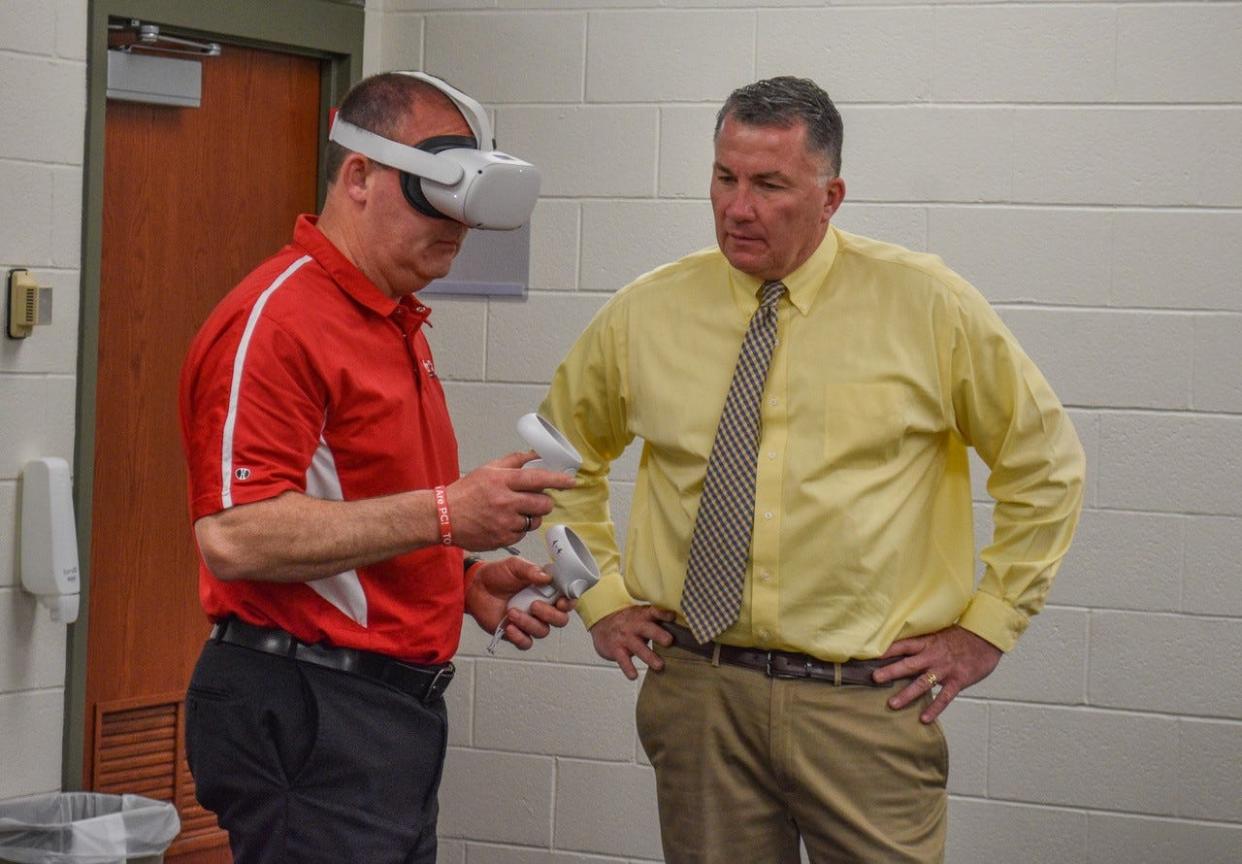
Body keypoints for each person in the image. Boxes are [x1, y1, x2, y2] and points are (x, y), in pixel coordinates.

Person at [538, 76, 1085, 863]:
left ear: (831, 196)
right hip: (700, 692)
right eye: (725, 177)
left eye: (769, 185)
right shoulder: (646, 312)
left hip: (863, 707)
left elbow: (1046, 466)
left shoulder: (926, 305)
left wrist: (986, 627)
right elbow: (557, 458)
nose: (738, 206)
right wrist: (598, 594)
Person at [178, 71, 574, 864]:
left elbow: (361, 506)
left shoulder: (394, 319)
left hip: (385, 710)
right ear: (357, 176)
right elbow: (235, 536)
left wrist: (455, 579)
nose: (458, 227)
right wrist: (445, 516)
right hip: (309, 704)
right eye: (437, 192)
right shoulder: (281, 319)